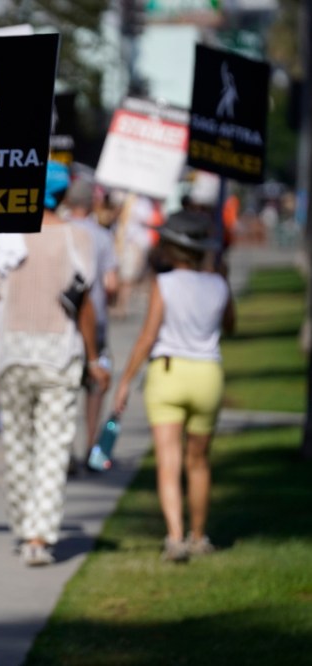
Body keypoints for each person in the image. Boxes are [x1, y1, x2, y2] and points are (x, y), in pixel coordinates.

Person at [0, 161, 110, 566]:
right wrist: (93, 357)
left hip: (14, 351)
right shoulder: (76, 238)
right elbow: (83, 302)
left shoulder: (9, 236)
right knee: (53, 448)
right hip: (58, 352)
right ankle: (39, 536)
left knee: (19, 445)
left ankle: (22, 526)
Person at [112, 210, 235, 563]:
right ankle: (199, 535)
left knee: (169, 460)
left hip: (168, 373)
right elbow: (231, 325)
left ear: (173, 247)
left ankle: (176, 537)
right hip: (207, 373)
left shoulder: (164, 284)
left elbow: (148, 336)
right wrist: (223, 283)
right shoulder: (218, 283)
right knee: (199, 462)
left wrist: (125, 382)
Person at [62, 178, 120, 473]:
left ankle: (67, 448)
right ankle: (91, 445)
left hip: (63, 318)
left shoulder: (60, 230)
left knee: (66, 385)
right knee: (95, 385)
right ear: (92, 203)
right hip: (94, 320)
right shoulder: (102, 236)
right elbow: (111, 284)